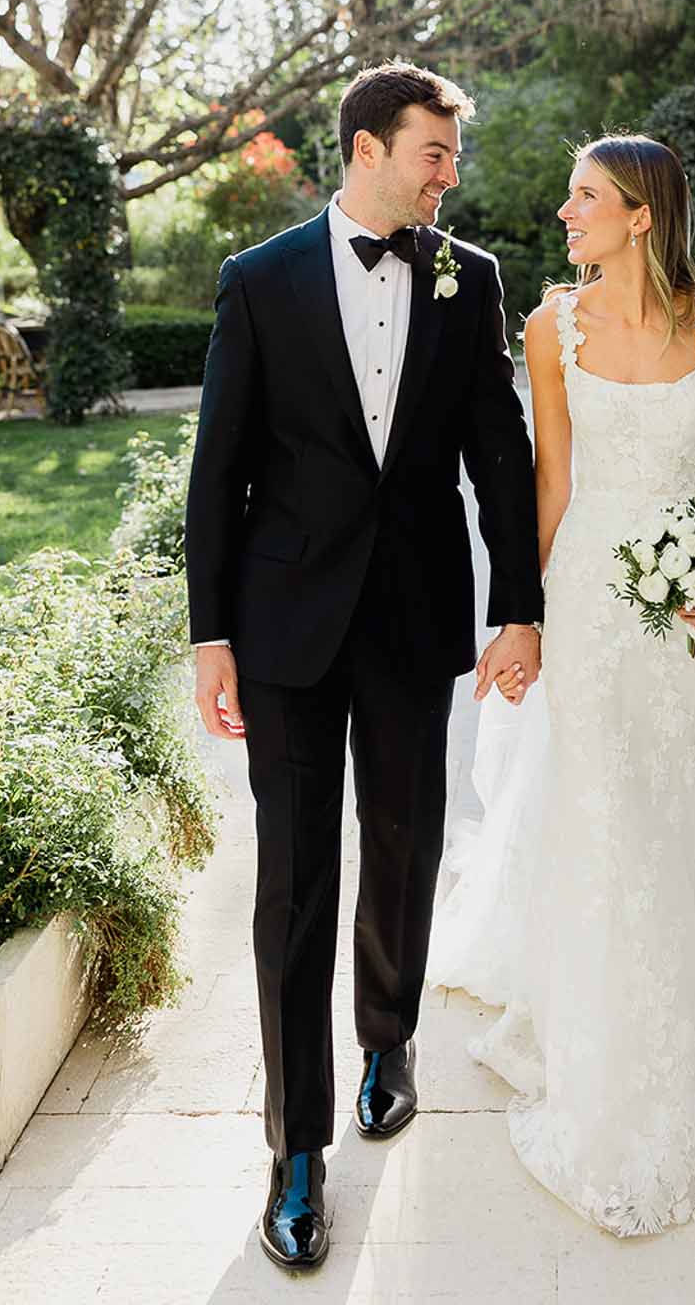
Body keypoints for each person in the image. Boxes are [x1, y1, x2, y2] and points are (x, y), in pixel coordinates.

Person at [427, 133, 695, 1236]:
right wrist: (520, 615)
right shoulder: (547, 326)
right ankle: (611, 1026)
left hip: (689, 599)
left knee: (680, 783)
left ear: (640, 215)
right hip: (587, 592)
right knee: (605, 796)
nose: (563, 214)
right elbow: (551, 476)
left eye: (583, 198)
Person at [185, 62, 543, 1274]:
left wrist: (520, 607)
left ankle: (387, 1035)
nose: (450, 172)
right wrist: (209, 634)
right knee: (293, 879)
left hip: (414, 613)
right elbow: (218, 473)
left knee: (404, 844)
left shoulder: (469, 277)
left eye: (452, 153)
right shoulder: (260, 281)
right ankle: (295, 1151)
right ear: (365, 149)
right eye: (433, 151)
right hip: (283, 623)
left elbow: (500, 453)